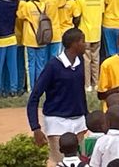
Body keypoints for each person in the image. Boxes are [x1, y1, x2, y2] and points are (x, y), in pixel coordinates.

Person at [27, 28, 89, 165]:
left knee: (80, 162)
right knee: (61, 163)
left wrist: (86, 115)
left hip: (78, 121)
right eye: (83, 41)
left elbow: (80, 92)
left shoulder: (80, 62)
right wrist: (35, 128)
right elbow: (34, 97)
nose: (86, 44)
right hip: (57, 123)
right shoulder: (53, 66)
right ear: (74, 44)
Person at [73, 0, 105, 92]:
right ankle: (96, 83)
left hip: (85, 32)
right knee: (96, 58)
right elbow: (102, 12)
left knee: (86, 59)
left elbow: (77, 15)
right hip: (97, 31)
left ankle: (87, 85)